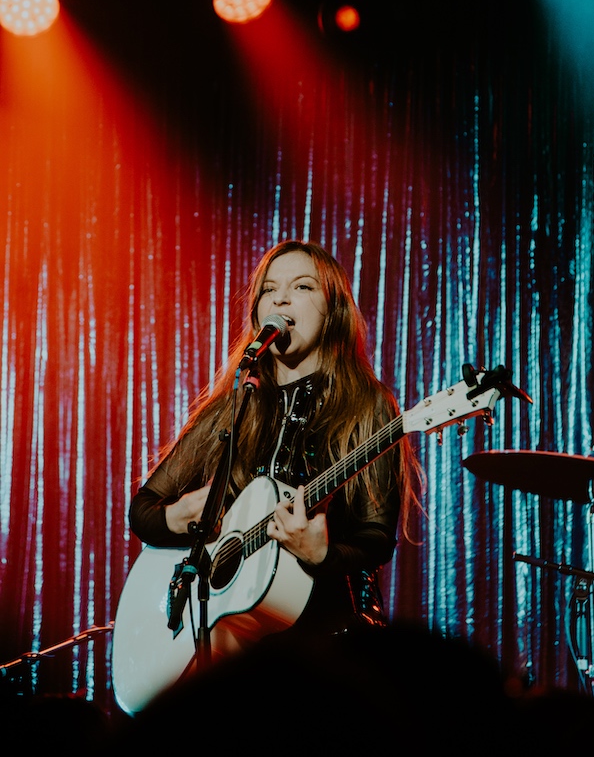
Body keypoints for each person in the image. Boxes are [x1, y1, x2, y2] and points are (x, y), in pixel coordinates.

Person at [129, 239, 420, 644]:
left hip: (333, 636)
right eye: (269, 288)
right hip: (238, 641)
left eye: (302, 287)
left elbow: (377, 536)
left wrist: (322, 555)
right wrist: (175, 517)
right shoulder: (233, 406)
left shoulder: (367, 403)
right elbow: (142, 510)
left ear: (332, 309)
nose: (281, 298)